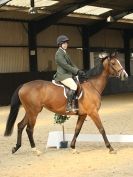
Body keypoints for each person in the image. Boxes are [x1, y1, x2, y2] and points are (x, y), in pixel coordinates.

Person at [54, 35, 85, 112]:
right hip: (63, 75)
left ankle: (77, 104)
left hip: (68, 74)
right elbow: (65, 65)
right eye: (64, 43)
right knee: (74, 86)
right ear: (60, 44)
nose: (66, 45)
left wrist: (79, 70)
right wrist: (76, 71)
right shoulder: (59, 53)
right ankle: (69, 105)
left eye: (66, 43)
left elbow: (72, 64)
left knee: (79, 84)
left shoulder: (65, 53)